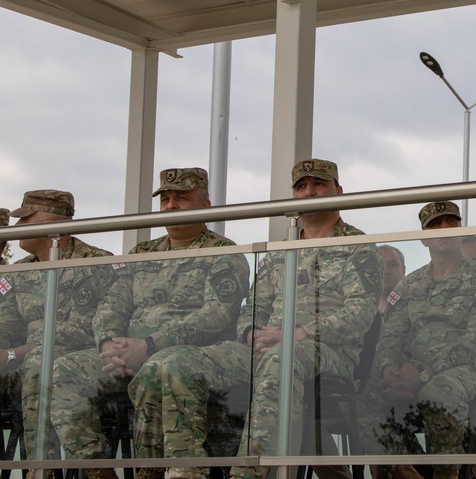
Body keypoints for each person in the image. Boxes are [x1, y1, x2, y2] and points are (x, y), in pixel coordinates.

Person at [126, 159, 382, 479]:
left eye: (319, 184)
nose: (309, 192)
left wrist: (297, 334)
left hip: (326, 350)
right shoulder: (281, 250)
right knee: (172, 361)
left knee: (281, 357)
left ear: (338, 191)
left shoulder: (357, 247)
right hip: (265, 344)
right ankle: (178, 471)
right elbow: (255, 304)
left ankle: (248, 473)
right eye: (301, 186)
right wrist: (250, 334)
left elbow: (360, 313)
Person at [48, 168, 248, 479]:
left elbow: (217, 316)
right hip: (128, 355)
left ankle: (167, 470)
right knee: (61, 371)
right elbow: (111, 304)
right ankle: (96, 468)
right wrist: (108, 343)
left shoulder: (224, 254)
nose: (170, 205)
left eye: (181, 198)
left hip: (190, 354)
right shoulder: (142, 252)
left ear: (206, 205)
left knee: (163, 364)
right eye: (165, 199)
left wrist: (150, 345)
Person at [360, 201, 476, 479]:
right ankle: (402, 470)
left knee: (438, 392)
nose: (444, 229)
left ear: (461, 230)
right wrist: (391, 371)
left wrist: (423, 372)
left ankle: (446, 474)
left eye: (451, 222)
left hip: (471, 371)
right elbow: (391, 336)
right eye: (435, 225)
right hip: (417, 372)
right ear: (423, 238)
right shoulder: (409, 286)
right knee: (361, 398)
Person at [0, 191, 113, 465]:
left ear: (54, 222)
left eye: (25, 219)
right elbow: (6, 326)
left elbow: (88, 328)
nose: (17, 228)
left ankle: (41, 468)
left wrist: (22, 351)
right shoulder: (20, 270)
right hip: (27, 361)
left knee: (40, 361)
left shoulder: (94, 262)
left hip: (82, 360)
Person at [377, 245, 405, 315]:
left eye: (392, 265)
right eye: (379, 265)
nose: (386, 271)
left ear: (403, 270)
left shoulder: (417, 305)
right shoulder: (358, 311)